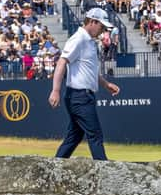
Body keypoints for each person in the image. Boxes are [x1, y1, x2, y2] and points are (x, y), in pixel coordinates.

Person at [48, 8, 120, 160]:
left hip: (82, 96)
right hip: (79, 97)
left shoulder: (88, 41)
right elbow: (61, 62)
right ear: (92, 22)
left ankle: (55, 167)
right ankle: (104, 172)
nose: (102, 31)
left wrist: (106, 84)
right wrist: (55, 90)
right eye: (101, 26)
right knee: (95, 134)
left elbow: (90, 70)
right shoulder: (78, 39)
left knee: (74, 136)